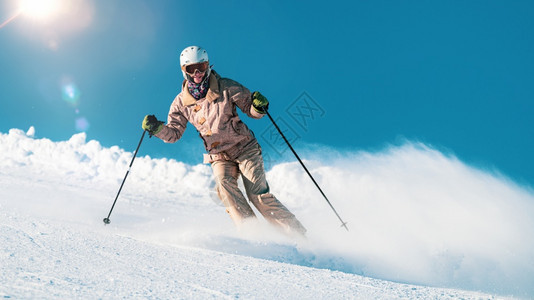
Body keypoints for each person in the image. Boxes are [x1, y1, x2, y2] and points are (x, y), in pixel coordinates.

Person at [142, 46, 306, 236]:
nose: (197, 73)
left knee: (257, 196)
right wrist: (158, 129)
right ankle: (253, 233)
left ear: (208, 66)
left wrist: (258, 107)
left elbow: (250, 109)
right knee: (224, 188)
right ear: (183, 71)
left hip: (245, 148)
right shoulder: (181, 103)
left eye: (201, 67)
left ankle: (298, 235)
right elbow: (174, 134)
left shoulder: (226, 87)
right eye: (191, 69)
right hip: (219, 155)